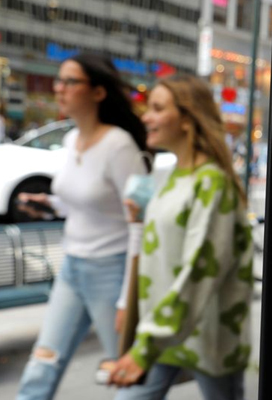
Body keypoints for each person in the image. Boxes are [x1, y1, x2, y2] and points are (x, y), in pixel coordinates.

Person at [109, 75, 254, 400]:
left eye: (158, 108)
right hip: (165, 330)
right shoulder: (176, 174)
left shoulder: (212, 183)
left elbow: (200, 268)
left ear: (187, 119)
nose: (146, 116)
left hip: (207, 337)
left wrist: (145, 346)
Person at [16, 54, 150, 400]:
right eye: (59, 81)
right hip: (72, 268)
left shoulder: (119, 144)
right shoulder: (70, 140)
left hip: (111, 270)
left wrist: (126, 298)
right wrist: (46, 206)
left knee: (127, 374)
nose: (60, 89)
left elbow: (139, 220)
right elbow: (85, 202)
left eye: (70, 82)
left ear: (98, 92)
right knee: (41, 364)